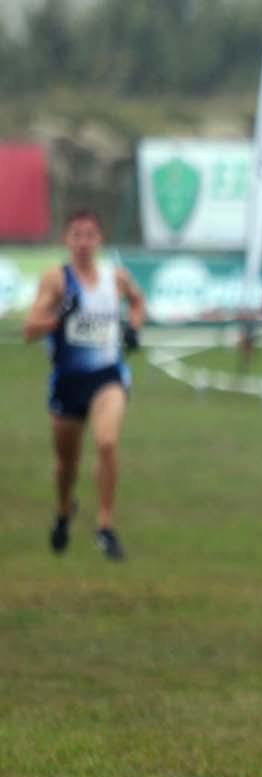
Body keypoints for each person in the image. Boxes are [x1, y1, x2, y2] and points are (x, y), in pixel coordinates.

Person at [23, 208, 146, 560]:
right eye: (76, 235)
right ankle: (64, 511)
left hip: (108, 376)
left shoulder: (116, 277)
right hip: (68, 381)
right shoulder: (57, 280)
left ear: (100, 240)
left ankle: (105, 526)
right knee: (67, 465)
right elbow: (30, 328)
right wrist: (59, 316)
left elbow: (138, 303)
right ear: (67, 240)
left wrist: (133, 329)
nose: (83, 242)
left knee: (106, 443)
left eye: (89, 235)